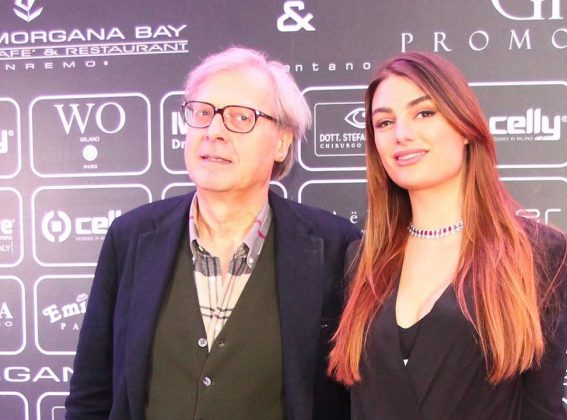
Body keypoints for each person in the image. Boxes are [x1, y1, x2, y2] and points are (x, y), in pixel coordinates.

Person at [66, 46, 360, 420]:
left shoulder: (335, 247)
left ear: (282, 141)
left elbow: (353, 398)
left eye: (240, 117)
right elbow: (91, 394)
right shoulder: (131, 238)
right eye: (203, 113)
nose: (214, 131)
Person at [328, 52, 567, 420]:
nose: (401, 134)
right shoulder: (360, 260)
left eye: (424, 113)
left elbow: (542, 409)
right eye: (384, 122)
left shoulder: (537, 253)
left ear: (465, 127)